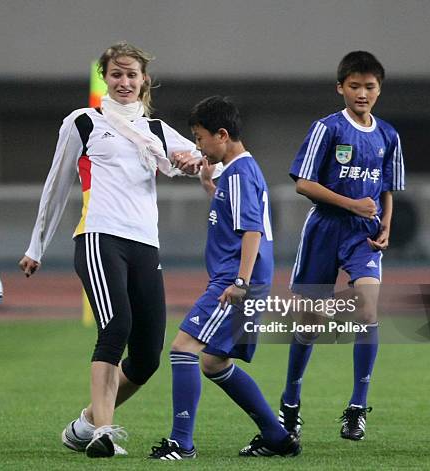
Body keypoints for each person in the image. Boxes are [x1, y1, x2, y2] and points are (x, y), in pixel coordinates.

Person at [18, 41, 204, 458]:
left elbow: (198, 157)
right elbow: (56, 185)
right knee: (115, 326)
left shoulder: (155, 130)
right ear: (105, 77)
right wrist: (37, 247)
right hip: (99, 236)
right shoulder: (83, 122)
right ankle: (104, 432)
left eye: (131, 75)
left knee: (147, 357)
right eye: (116, 74)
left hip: (144, 244)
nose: (124, 82)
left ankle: (85, 423)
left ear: (144, 80)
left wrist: (199, 165)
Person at [148, 96, 301, 460]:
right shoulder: (236, 174)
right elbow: (237, 216)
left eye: (199, 138)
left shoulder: (241, 173)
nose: (197, 146)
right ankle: (277, 437)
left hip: (234, 282)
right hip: (241, 279)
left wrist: (241, 283)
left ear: (221, 134)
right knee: (214, 362)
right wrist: (208, 187)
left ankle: (181, 444)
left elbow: (251, 232)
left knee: (183, 349)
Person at [277, 51, 405, 441]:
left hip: (362, 235)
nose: (362, 93)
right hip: (324, 229)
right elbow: (303, 182)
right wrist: (350, 203)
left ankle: (356, 408)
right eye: (354, 86)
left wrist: (385, 225)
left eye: (369, 86)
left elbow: (386, 190)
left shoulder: (388, 135)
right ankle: (291, 404)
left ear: (379, 90)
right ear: (341, 88)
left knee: (367, 307)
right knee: (309, 324)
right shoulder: (327, 128)